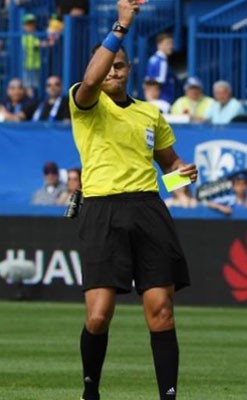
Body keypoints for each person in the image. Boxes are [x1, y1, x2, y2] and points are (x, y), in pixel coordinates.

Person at [68, 2, 197, 399]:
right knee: (98, 315)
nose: (113, 71)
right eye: (107, 65)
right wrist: (122, 25)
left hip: (148, 209)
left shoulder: (149, 114)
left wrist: (183, 175)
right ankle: (91, 390)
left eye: (120, 65)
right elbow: (91, 79)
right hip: (102, 209)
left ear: (129, 69)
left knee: (161, 312)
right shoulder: (86, 103)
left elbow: (169, 166)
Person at [146, 33, 176, 104]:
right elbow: (158, 82)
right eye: (168, 43)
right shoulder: (162, 61)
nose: (171, 46)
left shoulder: (153, 59)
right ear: (159, 45)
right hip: (163, 100)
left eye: (171, 43)